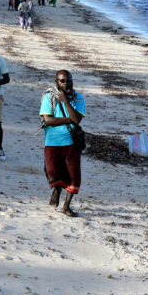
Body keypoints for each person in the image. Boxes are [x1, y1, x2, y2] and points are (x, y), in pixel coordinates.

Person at [40, 70, 86, 217]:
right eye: (62, 81)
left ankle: (66, 206)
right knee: (52, 172)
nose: (66, 83)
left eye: (68, 80)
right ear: (56, 82)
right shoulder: (49, 97)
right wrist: (69, 119)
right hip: (52, 141)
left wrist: (65, 101)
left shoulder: (78, 98)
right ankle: (57, 190)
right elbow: (47, 120)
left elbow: (77, 120)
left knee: (74, 176)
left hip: (72, 142)